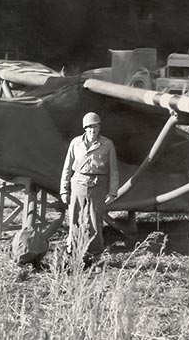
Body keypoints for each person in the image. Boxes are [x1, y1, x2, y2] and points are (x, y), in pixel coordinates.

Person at [60, 112, 119, 264]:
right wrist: (64, 190)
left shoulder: (107, 144)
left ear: (100, 127)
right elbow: (67, 167)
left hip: (97, 185)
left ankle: (95, 256)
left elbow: (113, 170)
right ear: (85, 128)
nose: (93, 130)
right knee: (74, 219)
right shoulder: (76, 143)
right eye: (90, 127)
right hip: (78, 183)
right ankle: (72, 253)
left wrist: (112, 192)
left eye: (96, 126)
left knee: (95, 221)